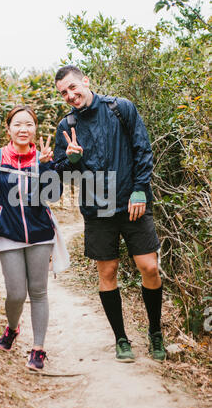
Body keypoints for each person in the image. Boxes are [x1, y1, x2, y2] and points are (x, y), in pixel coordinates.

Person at [54, 65, 166, 363]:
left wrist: (140, 188)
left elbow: (142, 149)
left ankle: (156, 332)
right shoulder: (66, 126)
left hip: (133, 201)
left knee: (149, 267)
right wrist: (70, 159)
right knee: (108, 272)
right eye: (63, 93)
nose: (70, 95)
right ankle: (121, 338)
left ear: (86, 81)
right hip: (97, 207)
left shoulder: (120, 109)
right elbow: (57, 175)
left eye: (73, 88)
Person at [0, 104, 62, 371]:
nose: (23, 129)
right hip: (8, 233)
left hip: (40, 234)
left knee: (38, 292)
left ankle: (38, 348)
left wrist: (47, 167)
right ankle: (12, 329)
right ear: (8, 128)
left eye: (29, 124)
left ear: (35, 129)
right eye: (18, 124)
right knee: (15, 294)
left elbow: (52, 196)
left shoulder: (44, 158)